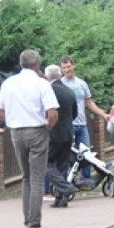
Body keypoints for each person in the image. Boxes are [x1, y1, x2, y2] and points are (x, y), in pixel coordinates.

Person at [0, 50, 58, 228]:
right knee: (37, 178)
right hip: (37, 131)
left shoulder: (9, 83)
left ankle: (27, 222)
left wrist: (14, 118)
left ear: (21, 63)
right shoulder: (41, 84)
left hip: (16, 132)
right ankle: (34, 227)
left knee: (26, 178)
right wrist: (47, 126)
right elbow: (52, 113)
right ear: (37, 64)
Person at [43, 63, 78, 208]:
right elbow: (75, 113)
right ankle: (60, 198)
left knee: (44, 163)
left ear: (47, 76)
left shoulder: (48, 90)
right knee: (61, 166)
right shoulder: (69, 91)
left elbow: (46, 112)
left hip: (54, 134)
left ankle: (65, 188)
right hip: (68, 133)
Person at [58, 56, 109, 151]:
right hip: (68, 126)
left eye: (68, 67)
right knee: (70, 156)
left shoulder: (81, 84)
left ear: (73, 66)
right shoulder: (59, 85)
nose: (66, 70)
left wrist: (103, 114)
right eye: (63, 68)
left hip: (82, 125)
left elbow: (88, 102)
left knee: (86, 154)